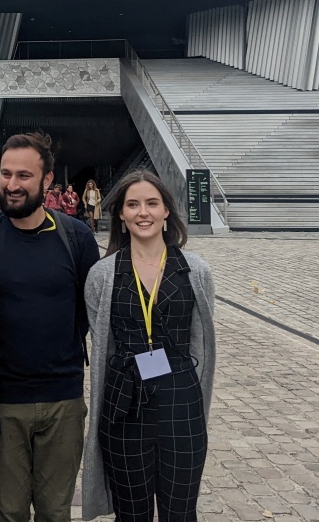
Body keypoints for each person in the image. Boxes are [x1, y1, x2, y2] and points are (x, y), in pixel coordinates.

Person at [0, 133, 100, 522]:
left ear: (48, 180)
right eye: (5, 174)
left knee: (56, 513)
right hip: (2, 403)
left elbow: (92, 311)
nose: (12, 184)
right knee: (10, 513)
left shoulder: (77, 237)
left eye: (24, 175)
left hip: (63, 400)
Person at [81, 170, 216, 522]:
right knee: (131, 514)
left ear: (166, 211)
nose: (144, 212)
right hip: (125, 404)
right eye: (133, 204)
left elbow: (201, 342)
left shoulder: (195, 270)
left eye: (152, 203)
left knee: (180, 512)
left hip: (181, 402)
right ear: (122, 216)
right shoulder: (103, 274)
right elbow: (102, 345)